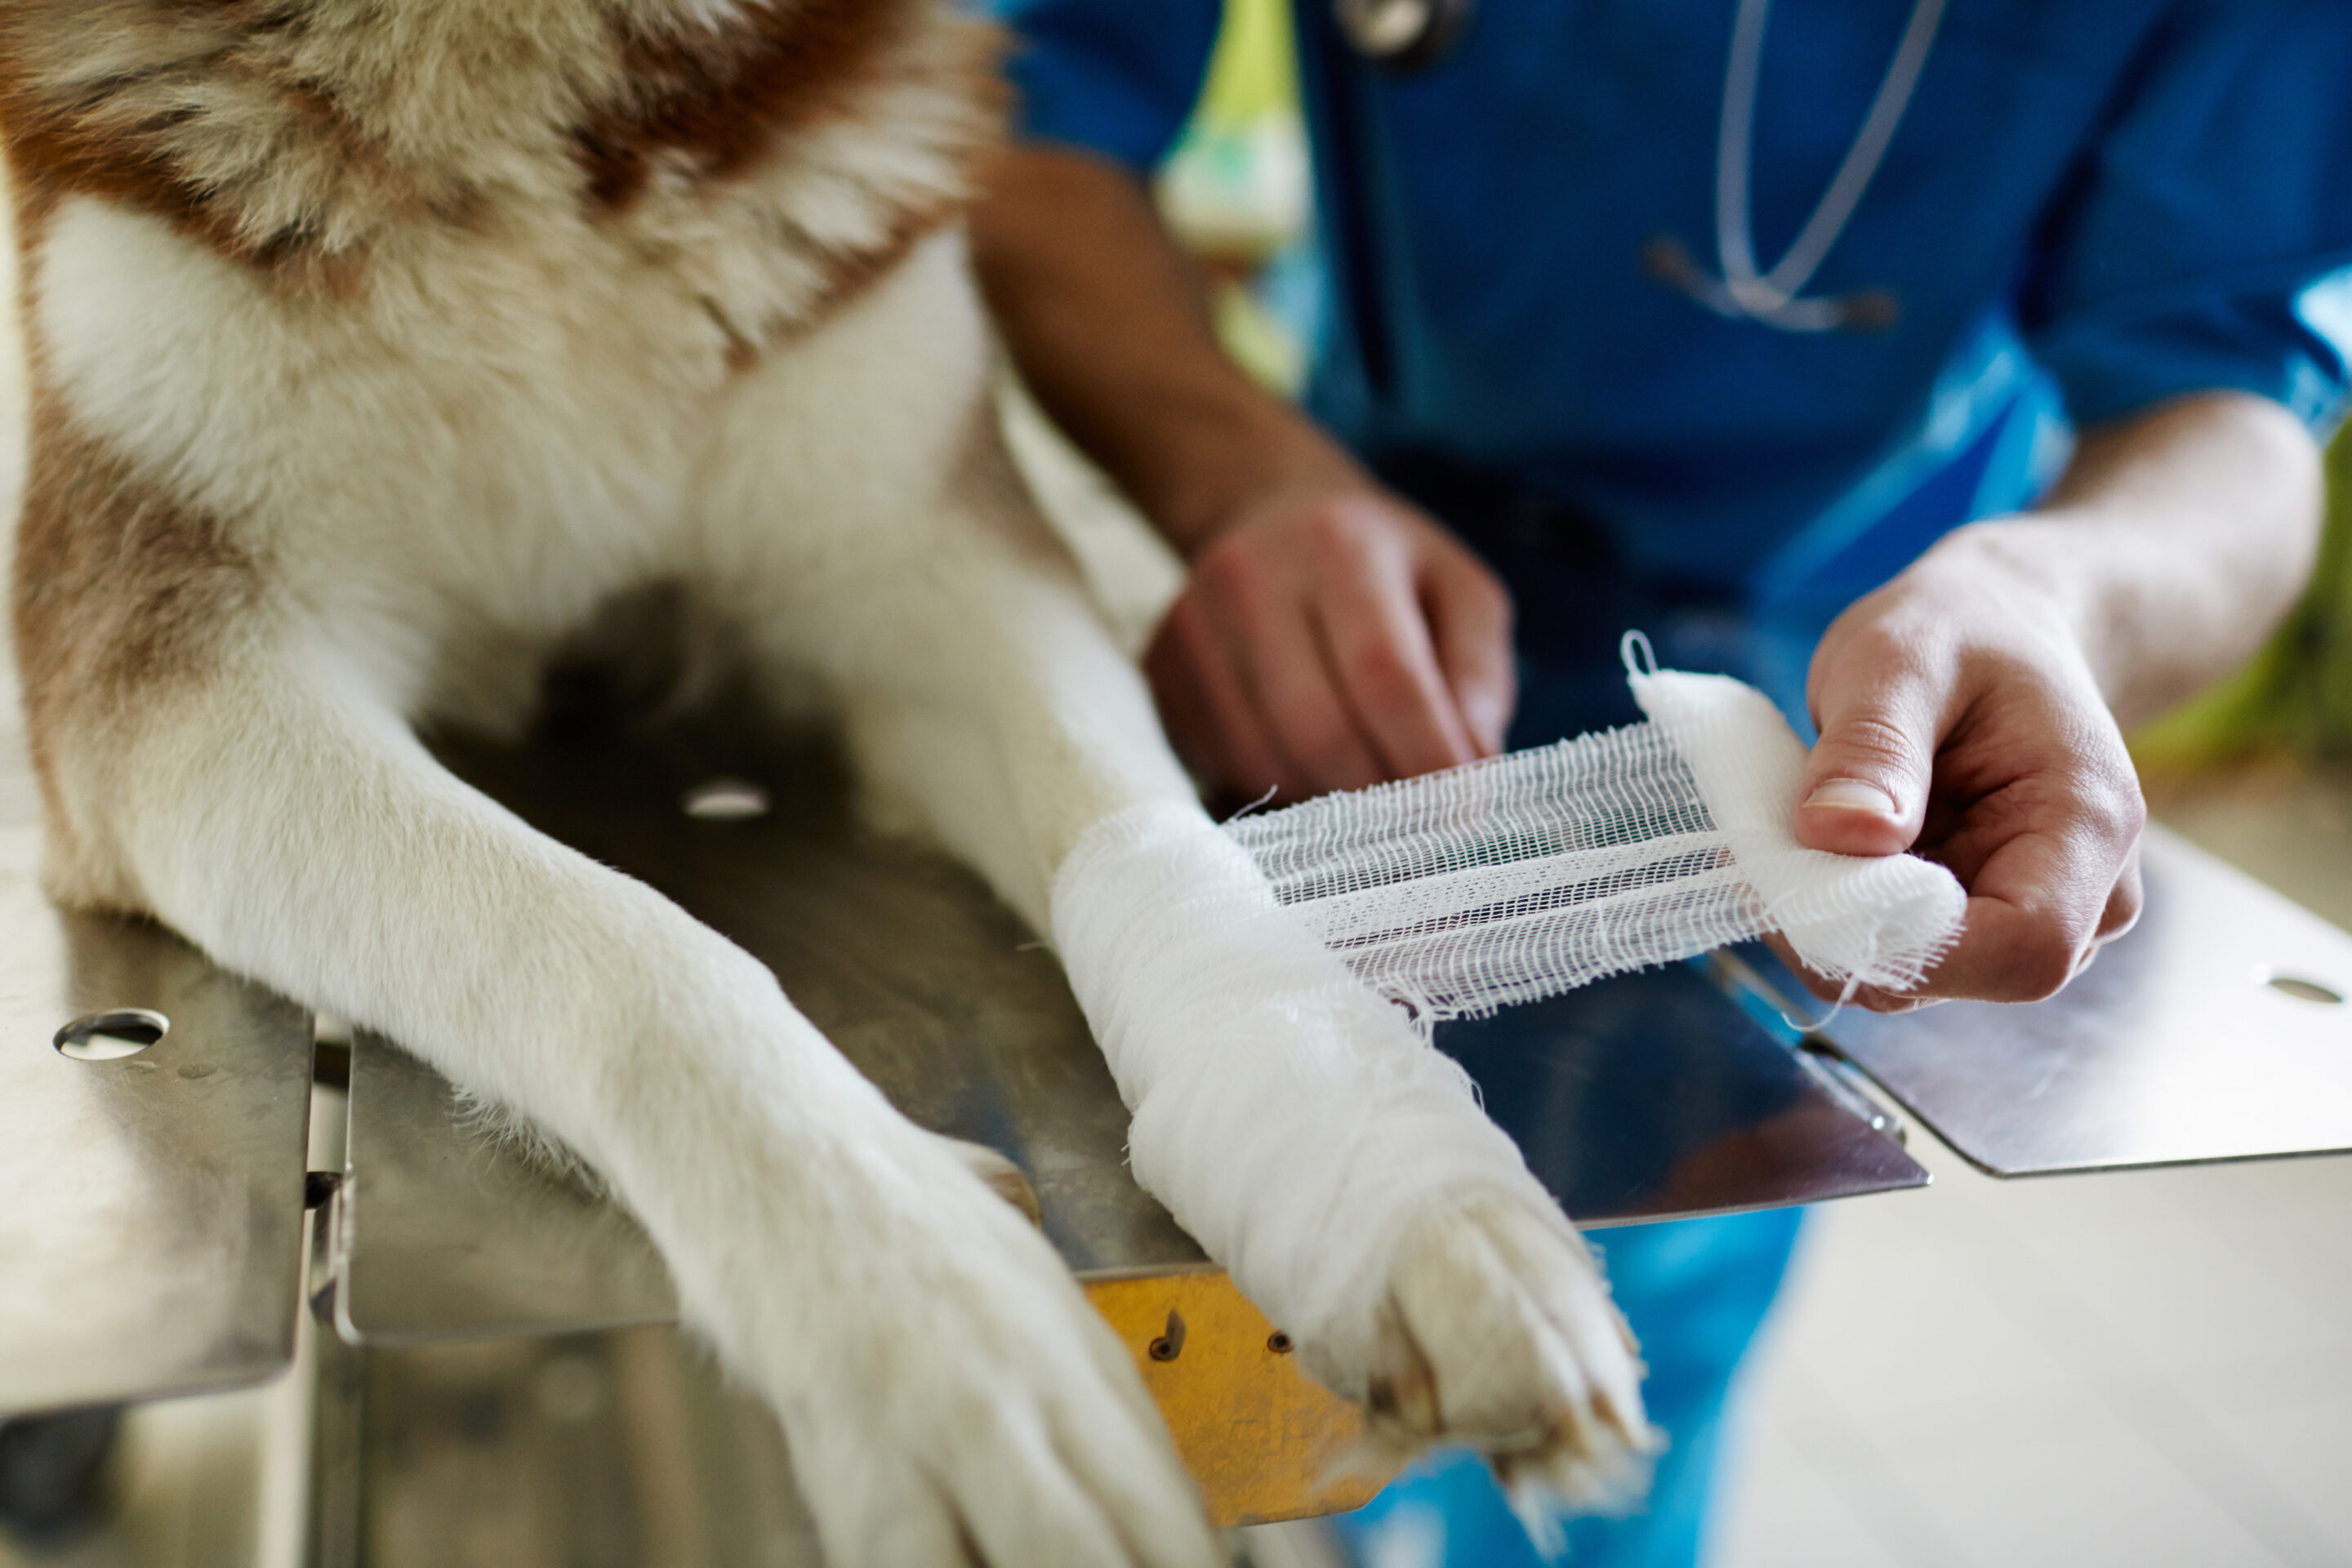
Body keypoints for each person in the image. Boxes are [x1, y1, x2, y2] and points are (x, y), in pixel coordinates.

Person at [969, 2, 2352, 1562]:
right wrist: (1237, 474)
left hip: (1833, 704)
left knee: (1618, 1379)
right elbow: (1027, 112)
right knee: (1258, 1360)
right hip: (1353, 592)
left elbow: (2232, 398)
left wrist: (2064, 597)